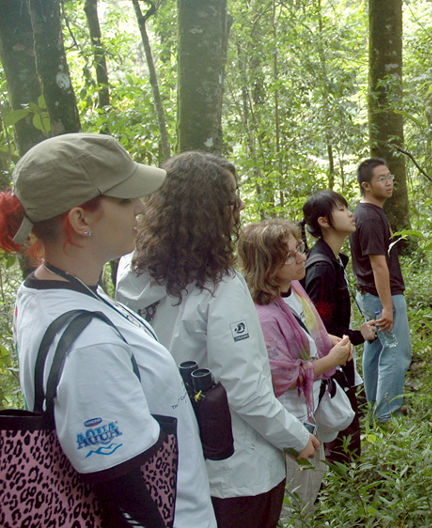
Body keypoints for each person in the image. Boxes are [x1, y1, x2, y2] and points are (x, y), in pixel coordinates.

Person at [1, 133, 215, 527]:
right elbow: (128, 495)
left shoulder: (46, 292)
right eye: (124, 199)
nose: (139, 208)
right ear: (81, 220)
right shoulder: (89, 344)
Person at [115, 151, 319, 528]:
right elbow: (245, 389)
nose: (239, 205)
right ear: (206, 212)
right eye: (231, 198)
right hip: (237, 469)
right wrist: (296, 437)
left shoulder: (131, 271)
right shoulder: (220, 285)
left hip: (170, 459)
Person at [238, 219, 354, 518]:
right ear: (267, 264)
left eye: (298, 249)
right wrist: (332, 360)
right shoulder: (263, 315)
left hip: (308, 407)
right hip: (289, 419)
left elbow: (309, 330)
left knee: (311, 484)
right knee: (295, 499)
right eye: (290, 255)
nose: (302, 257)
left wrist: (333, 342)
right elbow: (281, 377)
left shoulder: (294, 289)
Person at [301, 190, 376, 462]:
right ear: (323, 221)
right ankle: (346, 491)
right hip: (329, 365)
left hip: (339, 357)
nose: (350, 214)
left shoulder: (333, 260)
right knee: (342, 429)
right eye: (342, 209)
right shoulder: (321, 267)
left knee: (348, 424)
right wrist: (357, 336)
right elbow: (317, 328)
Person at [350, 158, 412, 423]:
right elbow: (378, 265)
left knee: (375, 348)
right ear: (366, 185)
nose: (389, 182)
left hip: (369, 295)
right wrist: (387, 307)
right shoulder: (370, 218)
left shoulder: (367, 213)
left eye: (390, 177)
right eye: (381, 179)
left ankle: (374, 404)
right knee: (396, 352)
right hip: (380, 297)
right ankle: (387, 416)